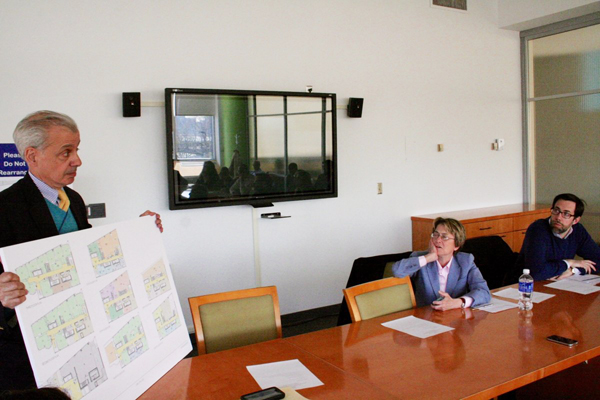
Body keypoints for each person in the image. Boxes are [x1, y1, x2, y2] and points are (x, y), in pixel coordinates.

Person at [0, 110, 163, 390]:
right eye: (66, 152)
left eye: (76, 150)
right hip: (28, 351)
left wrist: (137, 233)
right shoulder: (6, 208)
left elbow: (88, 255)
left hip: (80, 335)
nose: (78, 160)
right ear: (32, 155)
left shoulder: (73, 199)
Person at [392, 217, 491, 310]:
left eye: (444, 237)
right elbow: (397, 271)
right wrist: (428, 258)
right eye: (435, 235)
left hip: (455, 319)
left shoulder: (465, 261)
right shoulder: (421, 259)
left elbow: (483, 292)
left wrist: (458, 302)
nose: (438, 240)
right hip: (426, 318)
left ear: (456, 245)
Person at [516, 193, 600, 281]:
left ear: (575, 220)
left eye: (566, 214)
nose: (558, 217)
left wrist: (573, 270)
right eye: (556, 210)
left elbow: (598, 259)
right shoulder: (538, 230)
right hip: (523, 286)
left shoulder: (578, 231)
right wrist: (568, 263)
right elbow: (536, 272)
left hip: (557, 283)